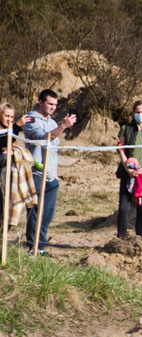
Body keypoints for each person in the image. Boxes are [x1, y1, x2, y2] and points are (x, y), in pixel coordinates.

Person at [23, 89, 76, 255]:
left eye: (55, 105)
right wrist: (64, 126)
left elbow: (54, 149)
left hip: (51, 174)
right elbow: (43, 137)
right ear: (41, 102)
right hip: (36, 170)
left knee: (48, 212)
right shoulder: (30, 119)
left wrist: (56, 170)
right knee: (35, 209)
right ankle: (33, 246)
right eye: (50, 104)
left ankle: (42, 245)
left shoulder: (53, 123)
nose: (53, 107)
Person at [116, 100, 142, 238]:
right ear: (133, 113)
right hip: (128, 172)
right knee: (124, 208)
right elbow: (121, 150)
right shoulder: (126, 128)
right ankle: (121, 238)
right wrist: (128, 169)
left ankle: (139, 239)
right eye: (137, 112)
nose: (140, 115)